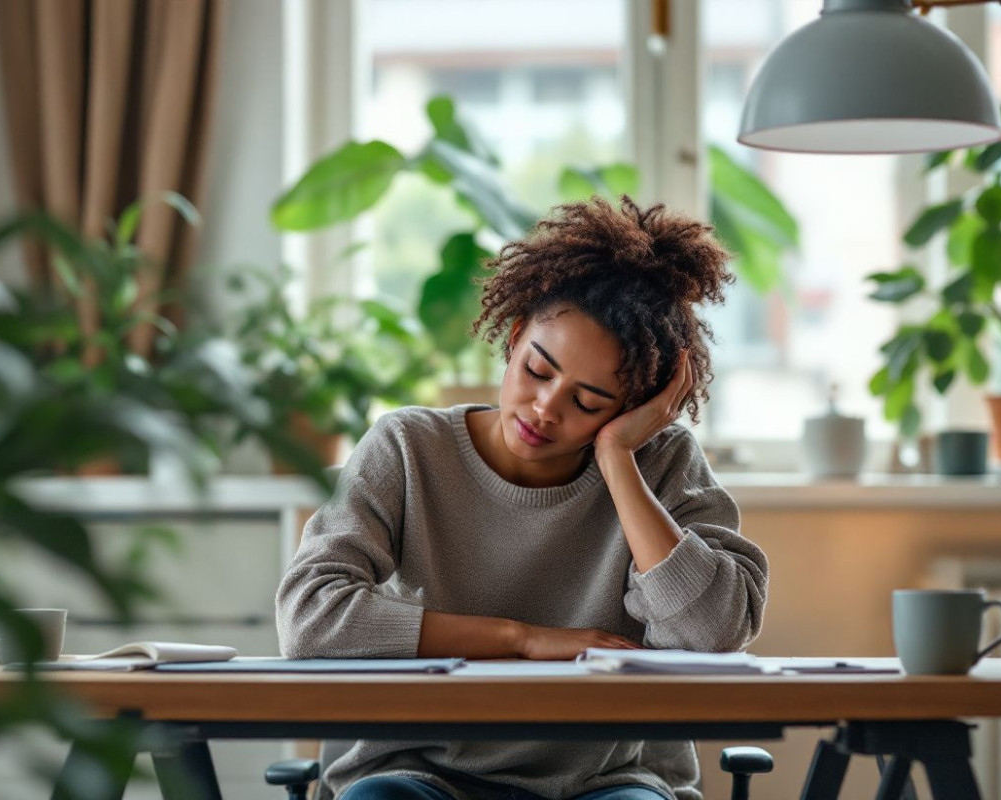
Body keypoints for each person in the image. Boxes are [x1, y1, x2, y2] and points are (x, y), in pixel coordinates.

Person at [275, 197, 770, 800]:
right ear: (513, 339)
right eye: (538, 371)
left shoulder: (661, 464)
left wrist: (617, 461)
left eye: (587, 403)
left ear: (633, 407)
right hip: (421, 771)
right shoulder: (407, 448)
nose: (545, 409)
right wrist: (520, 639)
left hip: (609, 781)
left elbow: (714, 632)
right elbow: (309, 617)